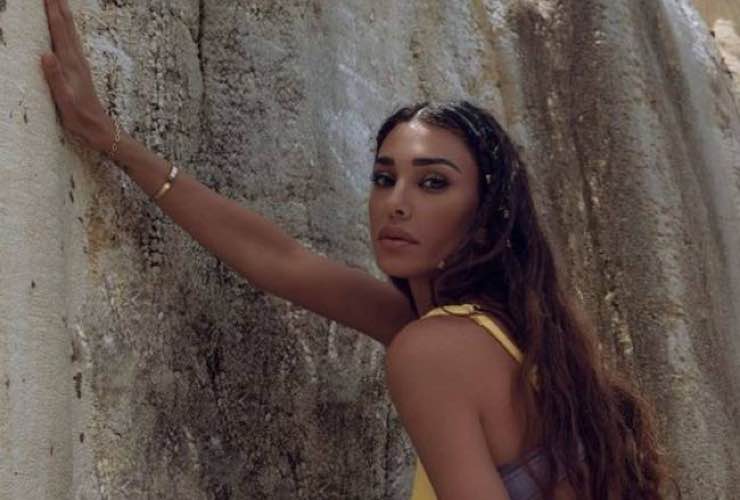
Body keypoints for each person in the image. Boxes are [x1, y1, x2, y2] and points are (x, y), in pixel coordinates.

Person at [39, 0, 682, 498]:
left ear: (488, 219)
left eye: (433, 183)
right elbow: (281, 261)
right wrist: (109, 138)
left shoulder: (434, 349)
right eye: (383, 177)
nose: (396, 202)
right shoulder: (488, 334)